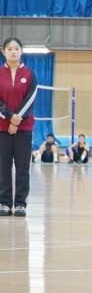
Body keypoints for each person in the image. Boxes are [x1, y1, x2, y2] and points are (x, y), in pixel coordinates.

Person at [0, 37, 38, 217]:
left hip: (24, 128)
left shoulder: (29, 74)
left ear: (21, 51)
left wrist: (17, 120)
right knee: (3, 166)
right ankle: (4, 203)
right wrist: (9, 117)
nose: (13, 51)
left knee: (23, 167)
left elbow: (30, 99)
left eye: (16, 48)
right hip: (2, 128)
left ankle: (20, 204)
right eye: (9, 49)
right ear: (3, 52)